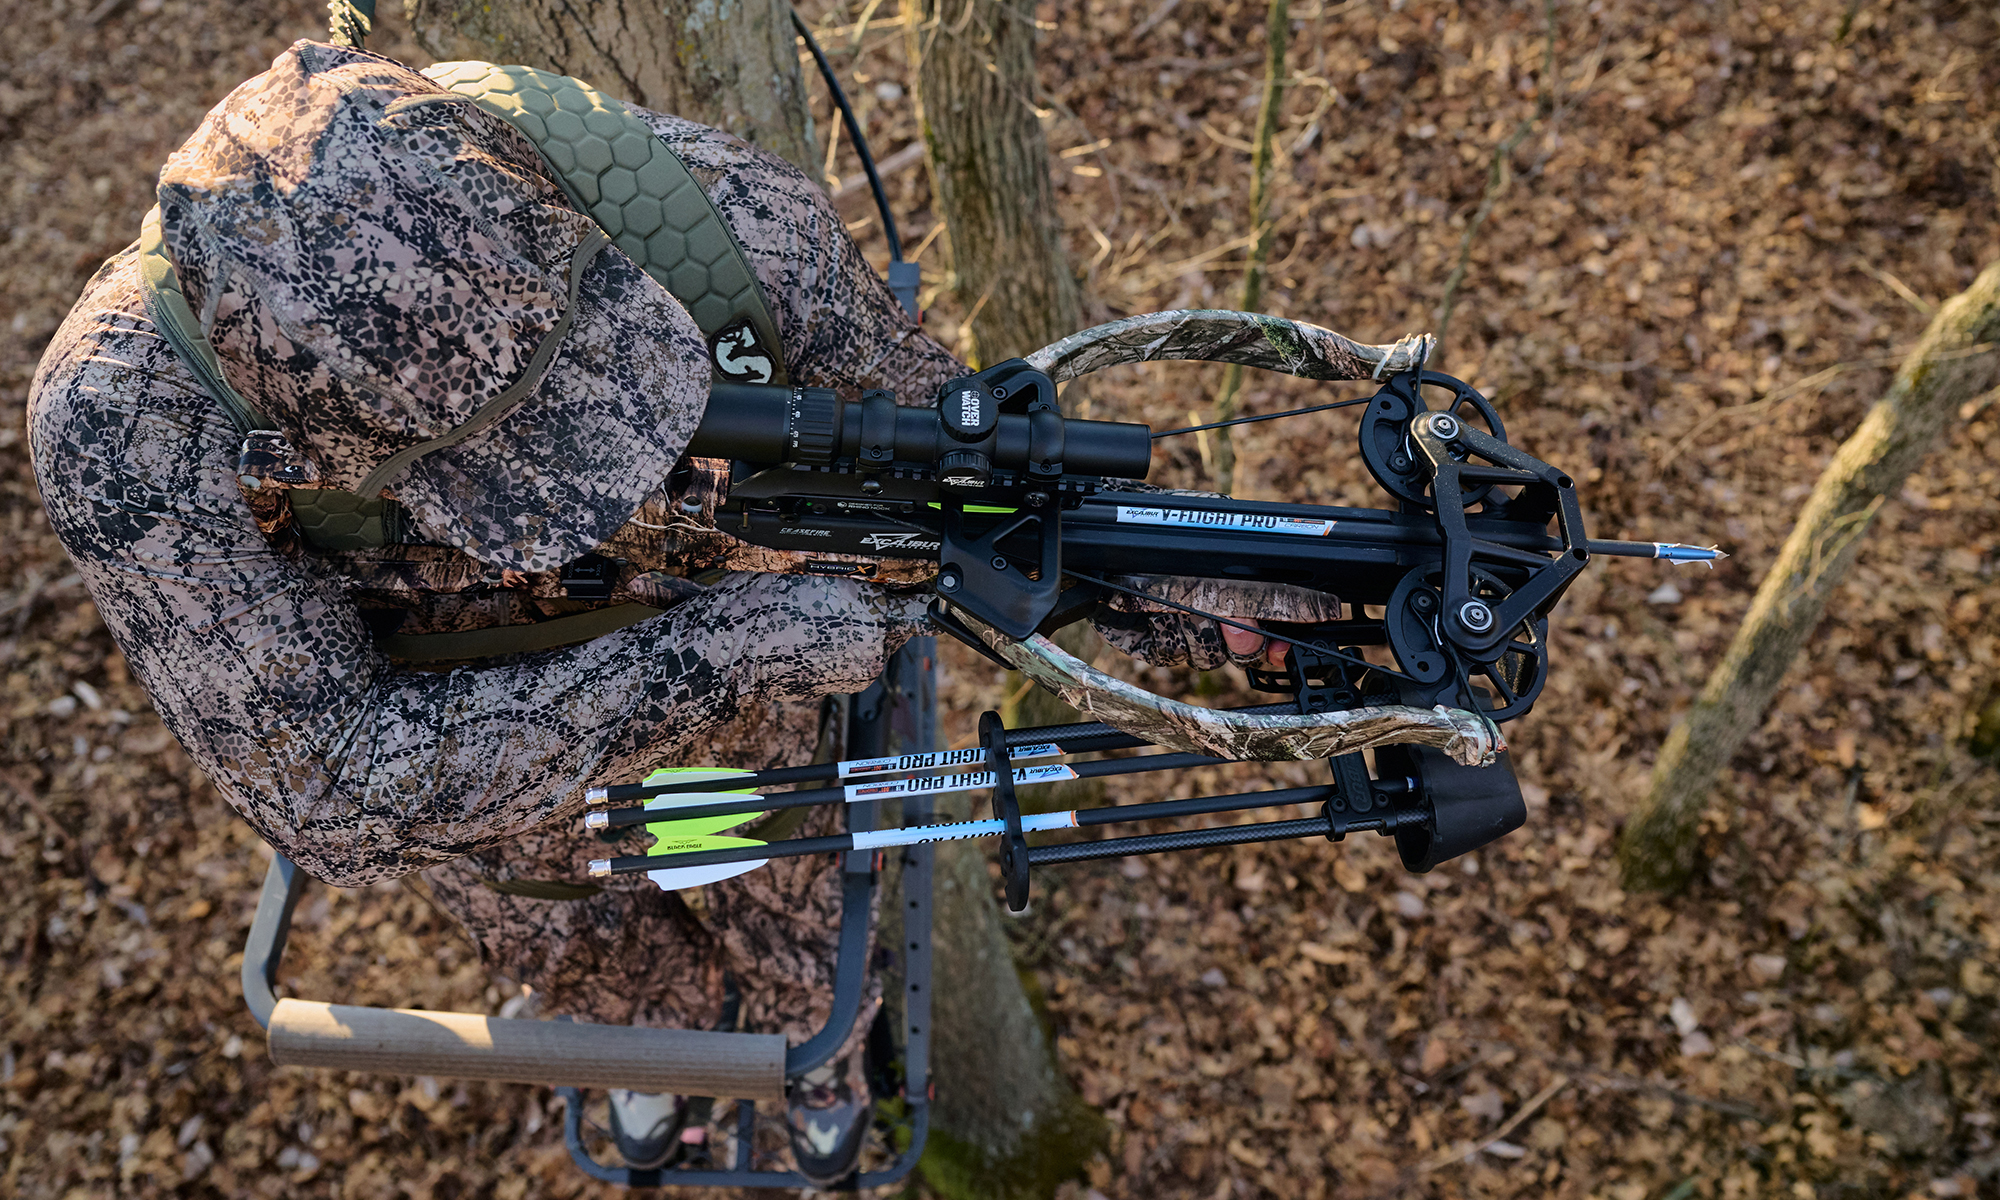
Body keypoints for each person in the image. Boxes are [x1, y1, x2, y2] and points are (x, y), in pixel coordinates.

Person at [27, 39, 1287, 1183]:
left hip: (758, 746)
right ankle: (651, 1055)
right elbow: (328, 785)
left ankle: (818, 1079)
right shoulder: (125, 419)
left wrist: (1193, 593)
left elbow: (955, 472)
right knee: (591, 964)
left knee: (802, 945)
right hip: (493, 802)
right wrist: (718, 655)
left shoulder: (701, 214)